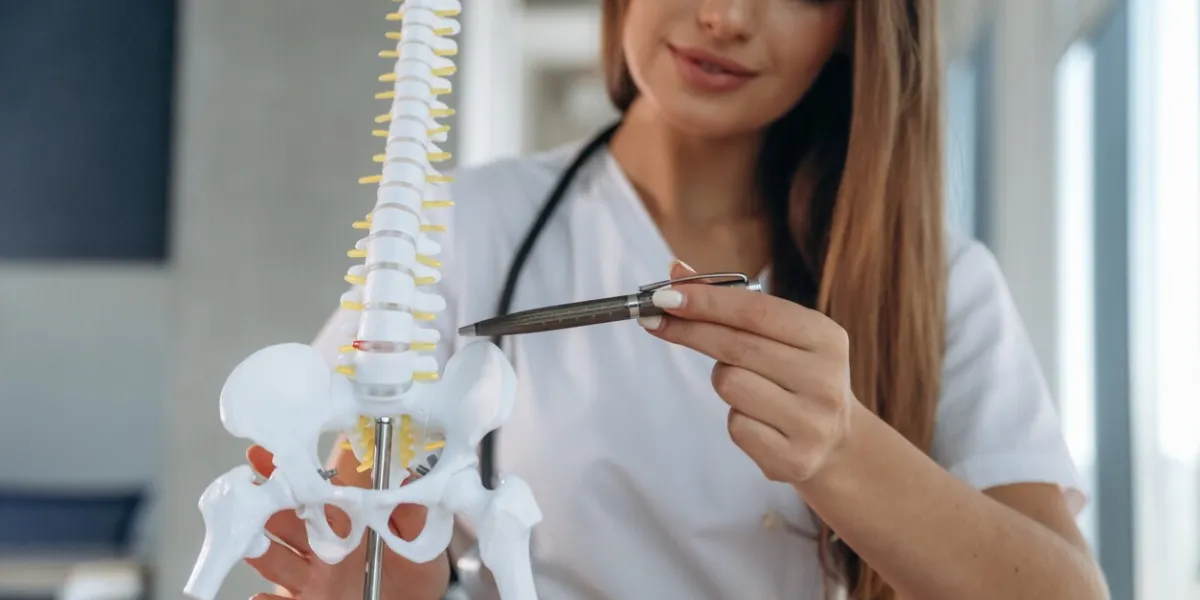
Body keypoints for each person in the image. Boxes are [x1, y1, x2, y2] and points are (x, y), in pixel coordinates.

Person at [242, 1, 1110, 599]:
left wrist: (842, 449)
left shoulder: (940, 286)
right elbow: (338, 536)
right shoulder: (463, 228)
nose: (727, 14)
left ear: (852, 25)